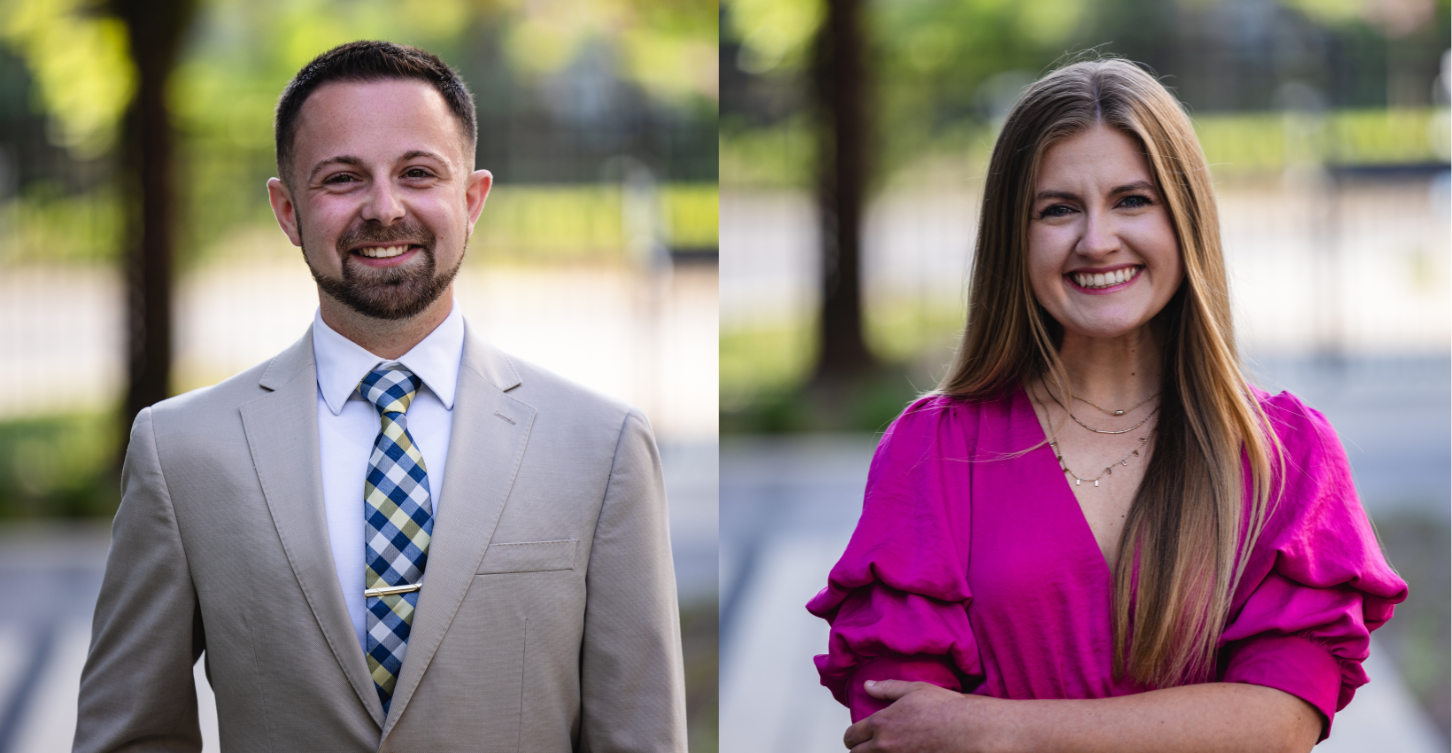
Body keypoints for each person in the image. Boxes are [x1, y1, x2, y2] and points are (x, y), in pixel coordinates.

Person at [74, 41, 686, 752]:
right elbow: (129, 733)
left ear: (472, 199)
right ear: (287, 210)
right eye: (342, 179)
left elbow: (638, 736)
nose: (385, 209)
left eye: (418, 173)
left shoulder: (602, 448)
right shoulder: (181, 452)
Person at [807, 58, 1407, 753]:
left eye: (1132, 200)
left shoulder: (1284, 451)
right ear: (1013, 238)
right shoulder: (934, 449)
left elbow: (1280, 722)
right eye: (1058, 209)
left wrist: (995, 727)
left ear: (1185, 219)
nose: (1096, 241)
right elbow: (901, 727)